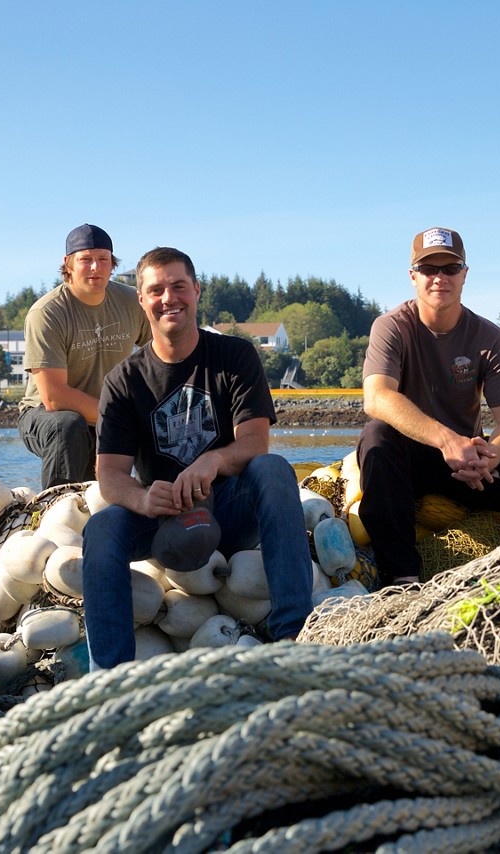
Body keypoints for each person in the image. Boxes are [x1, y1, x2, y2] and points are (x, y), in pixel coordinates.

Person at [81, 247, 313, 669]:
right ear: (141, 300)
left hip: (229, 509)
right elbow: (110, 476)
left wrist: (212, 463)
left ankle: (292, 635)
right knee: (102, 527)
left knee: (273, 468)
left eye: (178, 286)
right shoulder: (123, 382)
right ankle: (109, 677)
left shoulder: (235, 357)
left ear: (196, 291)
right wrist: (143, 499)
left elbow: (255, 443)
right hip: (165, 520)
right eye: (156, 290)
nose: (169, 298)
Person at [358, 227, 500, 586]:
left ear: (465, 275)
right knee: (376, 437)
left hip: (470, 467)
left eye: (450, 268)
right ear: (413, 277)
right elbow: (376, 397)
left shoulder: (488, 336)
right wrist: (445, 440)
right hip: (409, 462)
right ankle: (401, 580)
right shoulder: (390, 327)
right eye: (429, 269)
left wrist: (489, 457)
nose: (440, 278)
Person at [18, 224, 151, 488]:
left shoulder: (130, 302)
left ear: (112, 264)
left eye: (103, 259)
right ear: (67, 263)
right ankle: (56, 511)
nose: (95, 267)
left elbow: (162, 350)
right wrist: (120, 419)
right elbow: (54, 397)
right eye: (86, 259)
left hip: (103, 416)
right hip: (45, 415)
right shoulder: (47, 313)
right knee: (67, 425)